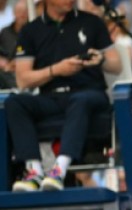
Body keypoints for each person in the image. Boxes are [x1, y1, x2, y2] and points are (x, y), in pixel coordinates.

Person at [8, 0, 122, 192]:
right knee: (15, 103)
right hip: (51, 97)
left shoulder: (92, 22)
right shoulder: (30, 31)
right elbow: (23, 80)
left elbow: (116, 64)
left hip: (89, 93)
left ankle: (59, 170)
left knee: (80, 100)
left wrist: (101, 59)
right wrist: (56, 70)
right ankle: (34, 171)